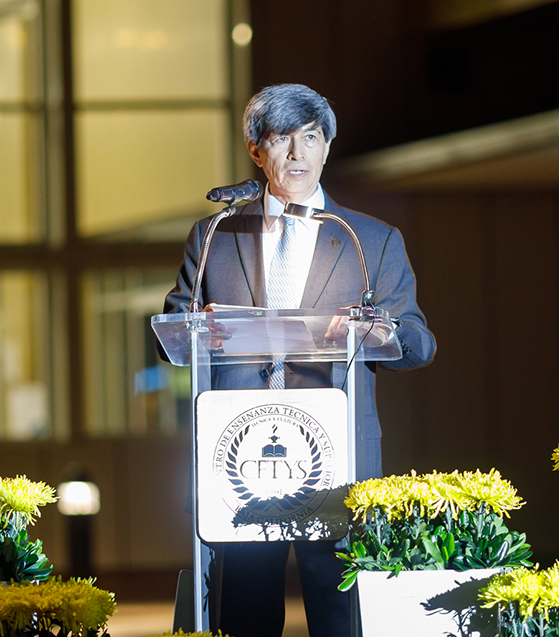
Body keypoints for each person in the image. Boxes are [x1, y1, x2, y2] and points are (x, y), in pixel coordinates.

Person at [163, 83, 436, 637]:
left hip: (335, 460)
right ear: (255, 150)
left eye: (311, 138)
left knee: (340, 618)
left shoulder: (370, 239)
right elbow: (173, 326)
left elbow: (419, 342)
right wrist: (202, 327)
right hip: (239, 458)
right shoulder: (216, 234)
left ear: (327, 147)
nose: (297, 153)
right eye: (281, 139)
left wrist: (376, 330)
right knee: (244, 617)